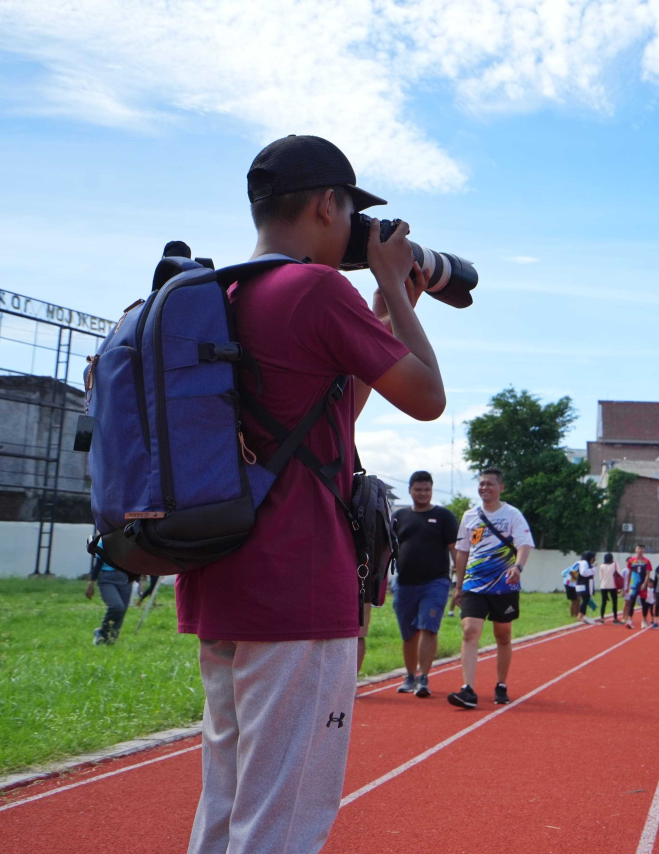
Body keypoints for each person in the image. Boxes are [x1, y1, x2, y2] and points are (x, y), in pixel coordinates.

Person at [177, 135, 446, 854]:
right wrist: (391, 282)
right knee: (284, 819)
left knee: (228, 805)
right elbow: (429, 397)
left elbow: (320, 422)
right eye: (353, 211)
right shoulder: (317, 290)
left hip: (221, 578)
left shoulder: (222, 294)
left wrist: (385, 321)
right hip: (297, 587)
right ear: (329, 204)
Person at [448, 469, 534, 709]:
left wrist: (518, 567)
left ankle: (501, 684)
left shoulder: (512, 514)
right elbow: (463, 552)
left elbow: (524, 544)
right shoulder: (470, 516)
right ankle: (468, 690)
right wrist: (459, 585)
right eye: (481, 484)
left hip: (504, 585)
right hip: (475, 585)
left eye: (490, 484)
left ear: (501, 488)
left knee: (503, 635)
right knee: (469, 631)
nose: (485, 488)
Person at [391, 470, 458, 698]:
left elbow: (455, 549)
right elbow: (387, 549)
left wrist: (461, 581)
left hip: (436, 582)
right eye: (418, 489)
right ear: (410, 490)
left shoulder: (444, 516)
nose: (423, 493)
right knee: (408, 634)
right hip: (405, 583)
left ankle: (424, 678)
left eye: (427, 489)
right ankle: (410, 676)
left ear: (432, 490)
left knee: (428, 626)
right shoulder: (399, 517)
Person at [86, 554, 132, 645]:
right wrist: (91, 583)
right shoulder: (105, 541)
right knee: (117, 606)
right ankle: (102, 631)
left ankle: (111, 640)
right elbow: (98, 563)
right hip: (107, 578)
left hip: (126, 578)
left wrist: (139, 582)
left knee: (122, 611)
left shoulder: (132, 542)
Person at [624, 545, 652, 629]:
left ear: (644, 551)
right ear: (635, 550)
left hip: (642, 584)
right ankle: (629, 620)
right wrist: (627, 585)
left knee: (644, 603)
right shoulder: (631, 561)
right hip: (633, 585)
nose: (640, 551)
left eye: (641, 549)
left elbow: (648, 574)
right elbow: (629, 573)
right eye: (638, 549)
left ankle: (644, 620)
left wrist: (644, 584)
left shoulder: (646, 561)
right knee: (631, 602)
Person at [598, 552, 624, 624]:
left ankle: (602, 618)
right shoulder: (615, 564)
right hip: (613, 585)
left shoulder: (601, 566)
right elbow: (620, 573)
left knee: (603, 602)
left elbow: (600, 577)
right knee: (614, 602)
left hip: (603, 585)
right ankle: (615, 619)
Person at [574, 551, 598, 624]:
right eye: (592, 558)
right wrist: (592, 569)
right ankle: (580, 615)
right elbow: (583, 572)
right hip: (583, 585)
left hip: (585, 584)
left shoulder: (587, 563)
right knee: (585, 600)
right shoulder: (584, 563)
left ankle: (582, 615)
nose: (593, 559)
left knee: (586, 600)